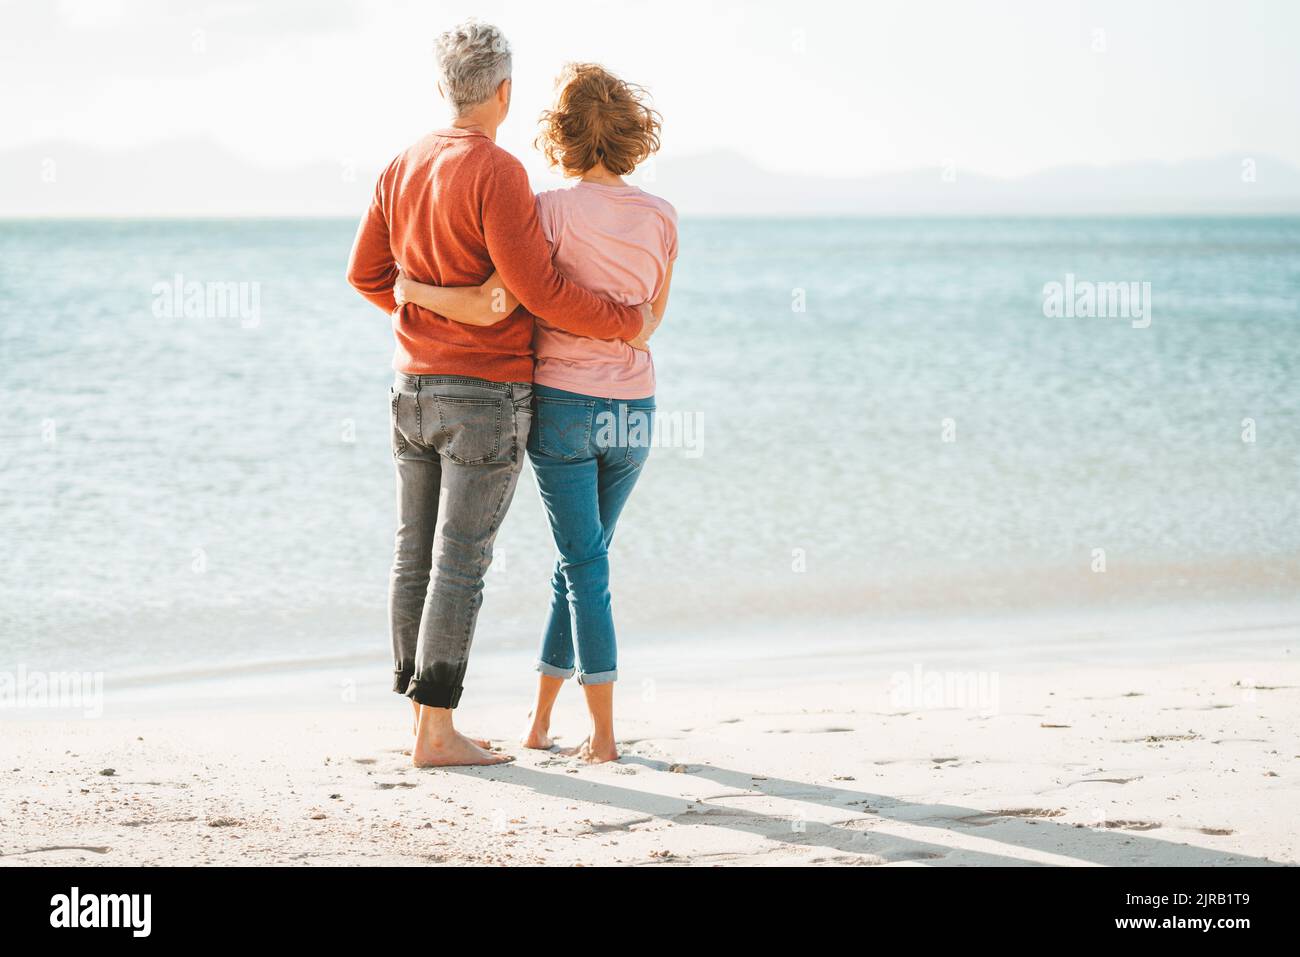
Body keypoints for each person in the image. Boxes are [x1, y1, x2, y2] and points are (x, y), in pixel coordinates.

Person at [346, 22, 657, 768]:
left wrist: (421, 304)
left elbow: (367, 276)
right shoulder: (499, 172)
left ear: (447, 88)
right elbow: (539, 290)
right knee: (460, 561)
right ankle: (437, 730)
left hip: (409, 388)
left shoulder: (402, 164)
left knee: (411, 552)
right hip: (483, 394)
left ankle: (419, 719)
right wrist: (624, 323)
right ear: (505, 92)